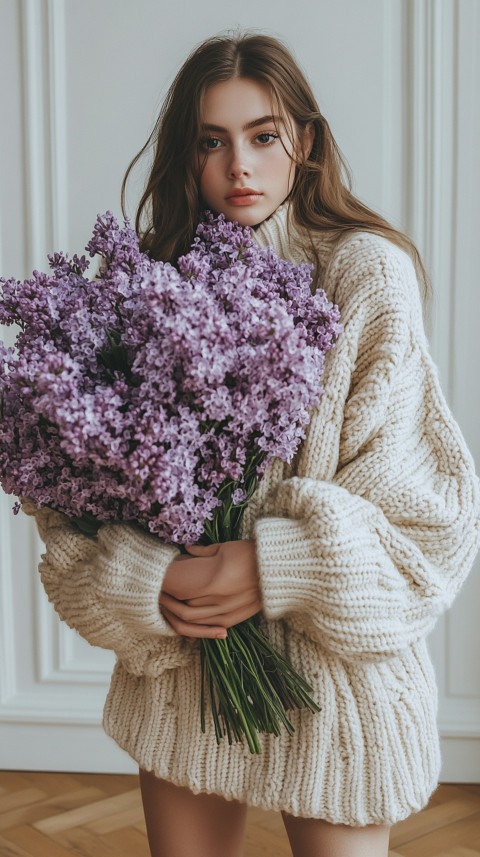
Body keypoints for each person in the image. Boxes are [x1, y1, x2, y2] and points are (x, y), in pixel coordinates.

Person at [21, 31, 480, 857]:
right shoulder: (139, 289)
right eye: (212, 140)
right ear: (186, 156)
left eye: (263, 136)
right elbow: (63, 528)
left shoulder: (366, 275)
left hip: (336, 688)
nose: (241, 165)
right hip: (186, 681)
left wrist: (272, 566)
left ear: (303, 143)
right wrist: (151, 579)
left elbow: (426, 526)